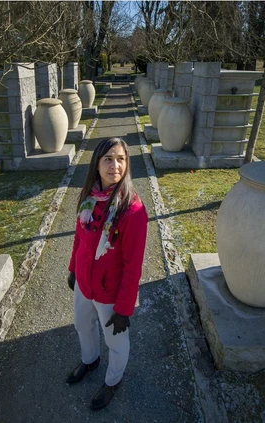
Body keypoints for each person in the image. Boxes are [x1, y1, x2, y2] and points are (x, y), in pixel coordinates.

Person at [66, 137, 148, 410]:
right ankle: (90, 360)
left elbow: (133, 265)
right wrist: (72, 269)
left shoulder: (133, 210)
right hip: (84, 282)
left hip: (109, 291)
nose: (115, 165)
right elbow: (79, 237)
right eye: (108, 159)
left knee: (115, 339)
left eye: (121, 159)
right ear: (97, 164)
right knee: (82, 325)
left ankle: (113, 380)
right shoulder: (88, 198)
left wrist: (124, 308)